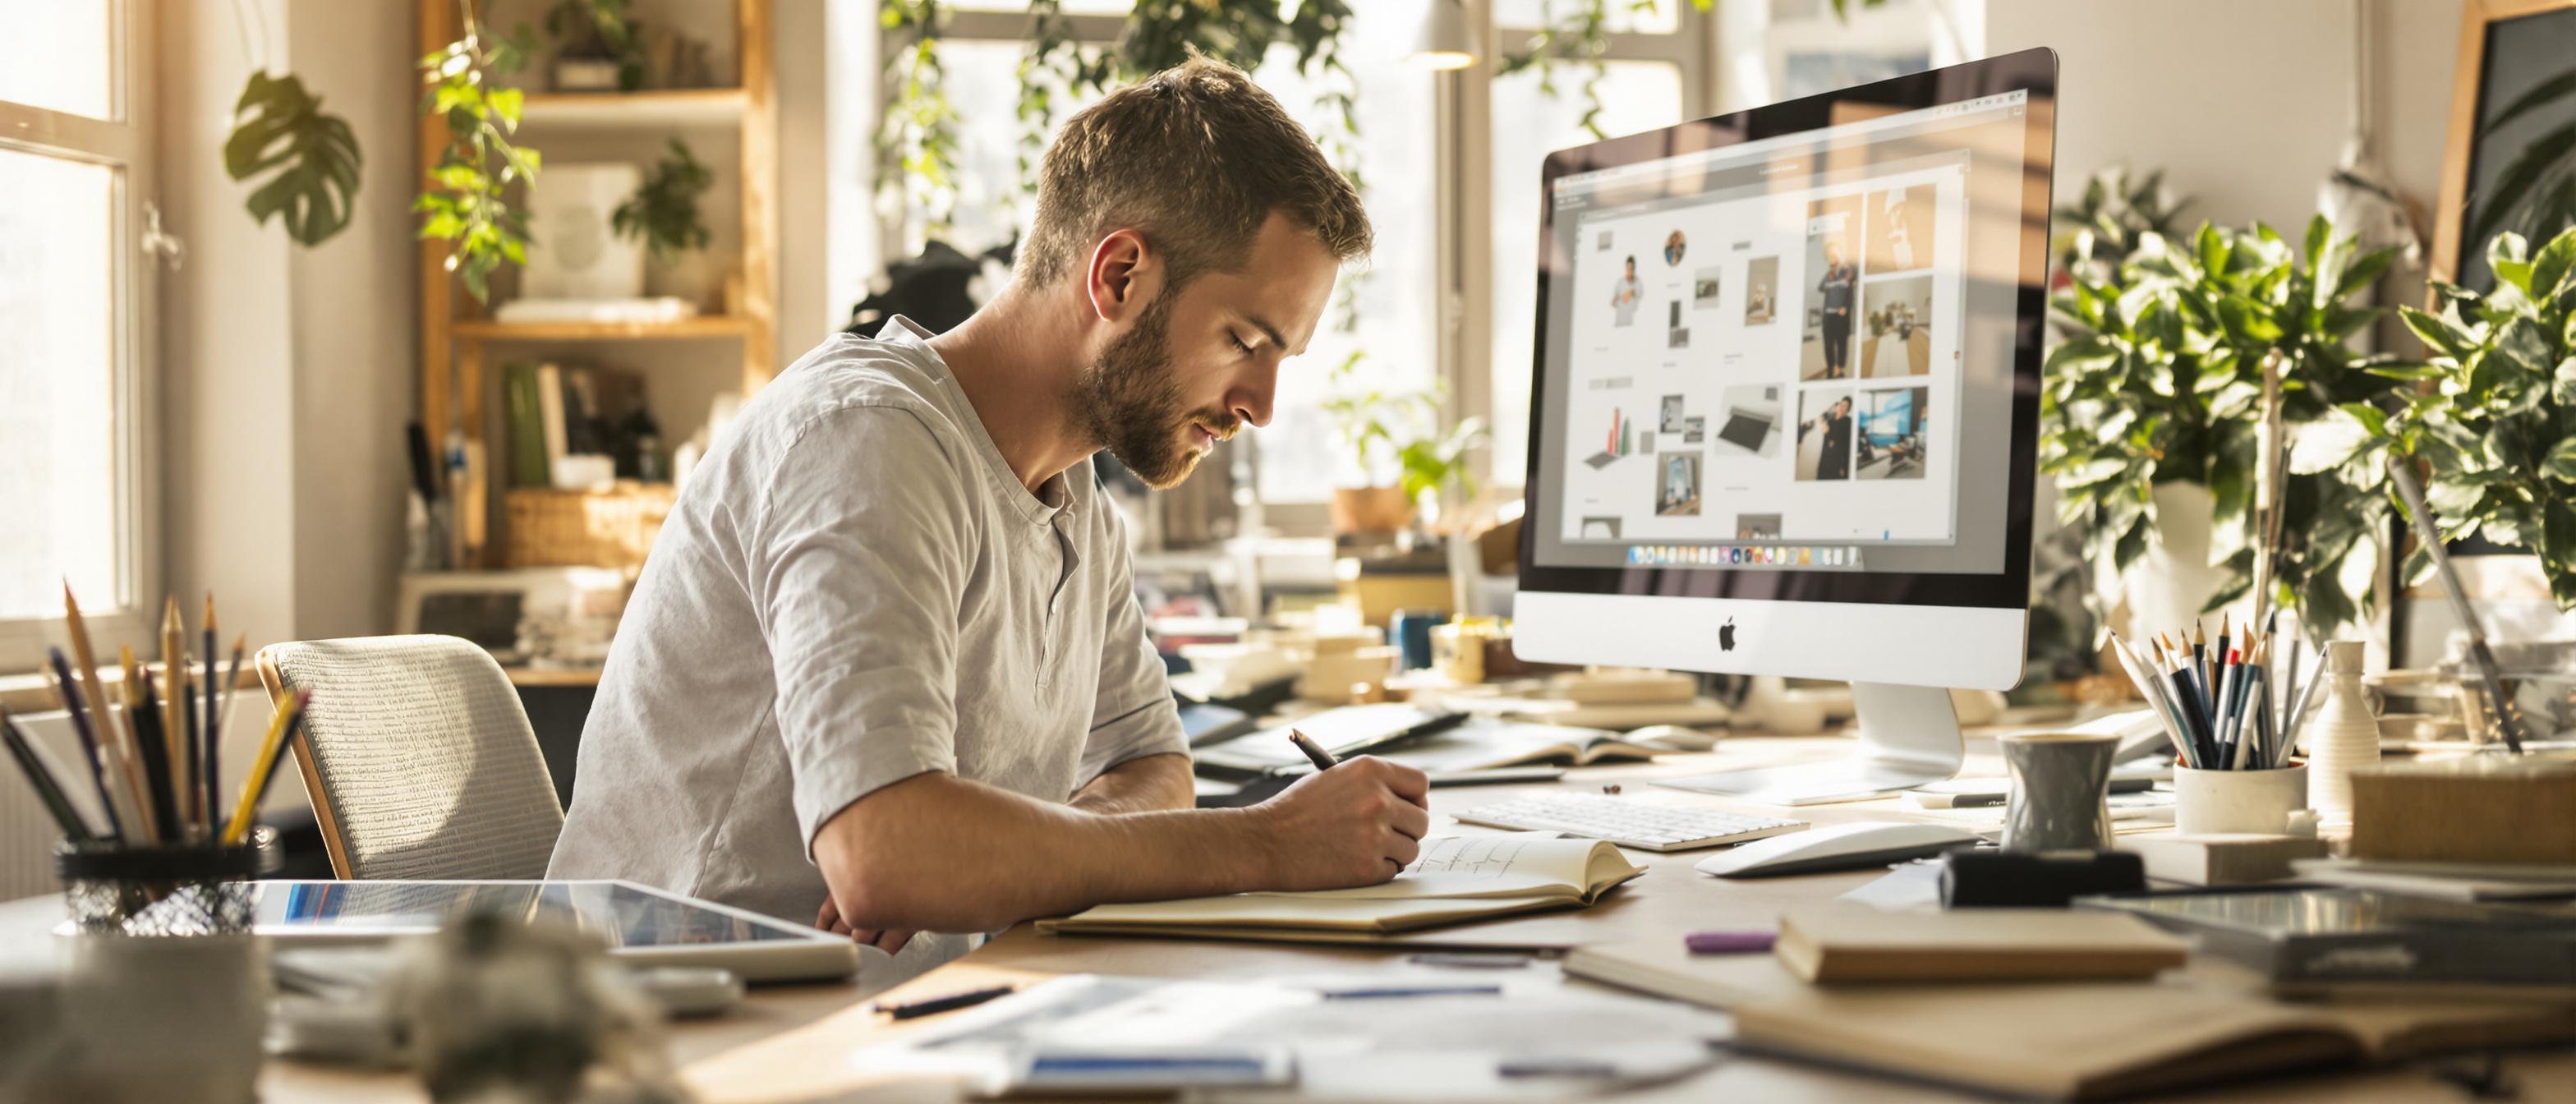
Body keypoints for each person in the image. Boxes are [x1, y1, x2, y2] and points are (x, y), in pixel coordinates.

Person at [547, 58, 1431, 987]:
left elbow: (1151, 767)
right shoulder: (868, 441)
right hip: (676, 1039)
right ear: (1120, 274)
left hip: (885, 1017)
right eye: (1244, 343)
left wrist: (978, 855)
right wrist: (1263, 845)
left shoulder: (1069, 488)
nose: (1260, 406)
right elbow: (888, 861)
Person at [1810, 396, 1854, 480]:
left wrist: (1844, 467)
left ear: (1848, 410)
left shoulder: (1848, 422)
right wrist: (1831, 407)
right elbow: (1820, 417)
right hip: (1824, 461)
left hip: (1837, 463)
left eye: (1844, 406)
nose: (1841, 407)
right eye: (1840, 404)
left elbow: (1846, 446)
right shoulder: (1830, 420)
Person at [1611, 255, 1640, 327]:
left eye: (1631, 268)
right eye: (1628, 268)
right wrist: (1620, 299)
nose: (1629, 270)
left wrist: (1631, 294)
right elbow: (1613, 303)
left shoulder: (1637, 283)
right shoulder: (1620, 282)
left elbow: (1637, 302)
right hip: (1619, 320)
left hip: (1629, 322)